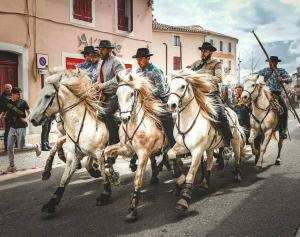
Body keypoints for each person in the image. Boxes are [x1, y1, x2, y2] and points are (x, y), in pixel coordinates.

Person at [187, 42, 233, 149]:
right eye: (202, 51)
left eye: (206, 51)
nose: (203, 53)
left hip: (211, 94)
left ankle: (228, 141)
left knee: (221, 115)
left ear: (210, 52)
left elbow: (219, 78)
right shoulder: (196, 63)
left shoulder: (216, 63)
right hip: (197, 94)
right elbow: (187, 71)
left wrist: (202, 77)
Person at [0, 87, 41, 173]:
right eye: (18, 94)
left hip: (21, 127)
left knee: (21, 147)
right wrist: (2, 116)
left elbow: (30, 111)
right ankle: (12, 166)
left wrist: (26, 119)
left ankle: (36, 146)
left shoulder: (23, 102)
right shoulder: (8, 103)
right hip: (12, 127)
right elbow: (4, 112)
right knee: (9, 147)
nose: (19, 95)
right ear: (13, 94)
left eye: (20, 94)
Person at [96, 40, 125, 147]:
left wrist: (104, 85)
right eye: (99, 49)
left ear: (109, 50)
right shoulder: (100, 62)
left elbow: (120, 77)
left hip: (115, 95)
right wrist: (95, 86)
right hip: (102, 96)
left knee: (106, 114)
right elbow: (98, 78)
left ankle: (115, 141)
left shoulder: (116, 61)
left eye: (102, 49)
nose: (100, 51)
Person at [257, 56, 292, 139]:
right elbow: (255, 74)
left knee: (284, 109)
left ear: (276, 63)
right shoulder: (265, 70)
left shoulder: (281, 71)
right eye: (270, 62)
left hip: (276, 94)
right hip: (265, 93)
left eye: (272, 62)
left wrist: (282, 79)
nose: (270, 63)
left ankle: (282, 130)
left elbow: (289, 79)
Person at [0, 84, 12, 151]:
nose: (9, 89)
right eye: (7, 88)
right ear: (4, 89)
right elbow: (2, 107)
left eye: (10, 88)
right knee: (7, 131)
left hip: (14, 116)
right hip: (7, 116)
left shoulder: (13, 95)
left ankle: (15, 144)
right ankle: (6, 147)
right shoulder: (2, 97)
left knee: (14, 131)